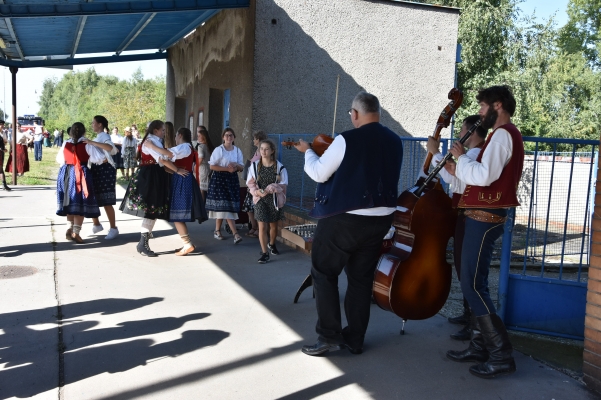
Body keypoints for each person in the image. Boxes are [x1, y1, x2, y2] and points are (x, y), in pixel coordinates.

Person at [292, 91, 403, 356]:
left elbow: (319, 173)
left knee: (323, 271)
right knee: (361, 279)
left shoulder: (346, 139)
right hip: (381, 220)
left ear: (354, 114)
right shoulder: (395, 141)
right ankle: (355, 339)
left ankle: (329, 335)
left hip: (346, 218)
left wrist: (308, 152)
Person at [445, 85, 524, 379]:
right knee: (475, 282)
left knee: (472, 285)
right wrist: (461, 164)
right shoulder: (501, 135)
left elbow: (484, 176)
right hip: (483, 214)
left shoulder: (503, 135)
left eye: (481, 106)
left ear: (497, 105)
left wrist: (463, 157)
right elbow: (481, 175)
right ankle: (480, 347)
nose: (479, 112)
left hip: (485, 215)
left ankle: (501, 355)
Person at [426, 115, 487, 341]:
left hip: (466, 213)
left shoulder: (472, 154)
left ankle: (473, 322)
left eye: (462, 130)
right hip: (464, 212)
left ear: (472, 132)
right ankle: (468, 315)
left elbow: (452, 175)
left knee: (465, 266)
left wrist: (436, 153)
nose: (459, 134)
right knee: (464, 265)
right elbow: (452, 176)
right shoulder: (473, 154)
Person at [119, 120, 187, 256]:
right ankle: (143, 243)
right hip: (150, 176)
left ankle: (142, 243)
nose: (164, 132)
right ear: (155, 130)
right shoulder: (151, 141)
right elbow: (162, 159)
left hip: (154, 175)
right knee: (151, 209)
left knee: (152, 209)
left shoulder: (154, 141)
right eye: (162, 130)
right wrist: (176, 170)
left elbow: (164, 157)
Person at [144, 127, 208, 255]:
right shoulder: (187, 147)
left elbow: (166, 155)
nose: (174, 138)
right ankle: (186, 243)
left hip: (182, 180)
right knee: (178, 214)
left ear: (179, 135)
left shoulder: (184, 147)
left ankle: (187, 244)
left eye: (175, 136)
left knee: (178, 215)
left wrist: (151, 146)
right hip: (181, 179)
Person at [55, 122, 105, 243]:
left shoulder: (65, 143)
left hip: (65, 173)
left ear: (71, 132)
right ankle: (76, 232)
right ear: (84, 132)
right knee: (80, 202)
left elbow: (59, 159)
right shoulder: (87, 144)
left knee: (69, 201)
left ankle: (69, 227)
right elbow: (98, 159)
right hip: (80, 173)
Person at [246, 139, 288, 263]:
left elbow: (284, 184)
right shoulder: (254, 166)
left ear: (272, 151)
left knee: (273, 227)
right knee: (262, 226)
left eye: (266, 149)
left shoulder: (280, 167)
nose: (263, 151)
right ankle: (264, 253)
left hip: (274, 200)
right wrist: (256, 192)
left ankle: (272, 243)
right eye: (261, 149)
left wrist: (274, 187)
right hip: (260, 200)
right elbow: (250, 183)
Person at [205, 127, 244, 244]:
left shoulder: (237, 150)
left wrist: (235, 166)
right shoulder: (219, 150)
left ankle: (217, 230)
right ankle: (235, 234)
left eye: (231, 135)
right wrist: (227, 169)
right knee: (225, 206)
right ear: (223, 137)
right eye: (226, 135)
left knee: (226, 205)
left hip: (232, 180)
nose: (229, 137)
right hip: (219, 179)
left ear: (234, 137)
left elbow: (241, 167)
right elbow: (212, 166)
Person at [89, 115, 120, 240]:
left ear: (100, 124)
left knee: (107, 200)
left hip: (105, 170)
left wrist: (91, 142)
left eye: (93, 123)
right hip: (97, 169)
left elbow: (111, 148)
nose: (92, 125)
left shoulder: (105, 137)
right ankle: (96, 224)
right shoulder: (99, 137)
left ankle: (113, 228)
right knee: (93, 197)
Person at [242, 130, 267, 238]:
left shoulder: (262, 152)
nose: (253, 140)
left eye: (254, 138)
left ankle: (258, 229)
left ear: (259, 139)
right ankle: (254, 227)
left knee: (257, 207)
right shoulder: (256, 151)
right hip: (251, 183)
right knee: (249, 207)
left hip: (258, 184)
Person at [196, 128, 214, 201]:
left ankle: (201, 207)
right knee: (208, 189)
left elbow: (201, 157)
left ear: (203, 137)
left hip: (202, 169)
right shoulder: (210, 146)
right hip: (210, 169)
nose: (198, 137)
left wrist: (196, 166)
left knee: (201, 190)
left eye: (199, 136)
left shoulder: (201, 147)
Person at [0, 120, 11, 191]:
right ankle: (4, 185)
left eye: (3, 125)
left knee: (0, 168)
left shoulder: (3, 133)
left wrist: (3, 148)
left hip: (1, 152)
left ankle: (4, 185)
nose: (2, 126)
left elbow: (5, 141)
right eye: (1, 124)